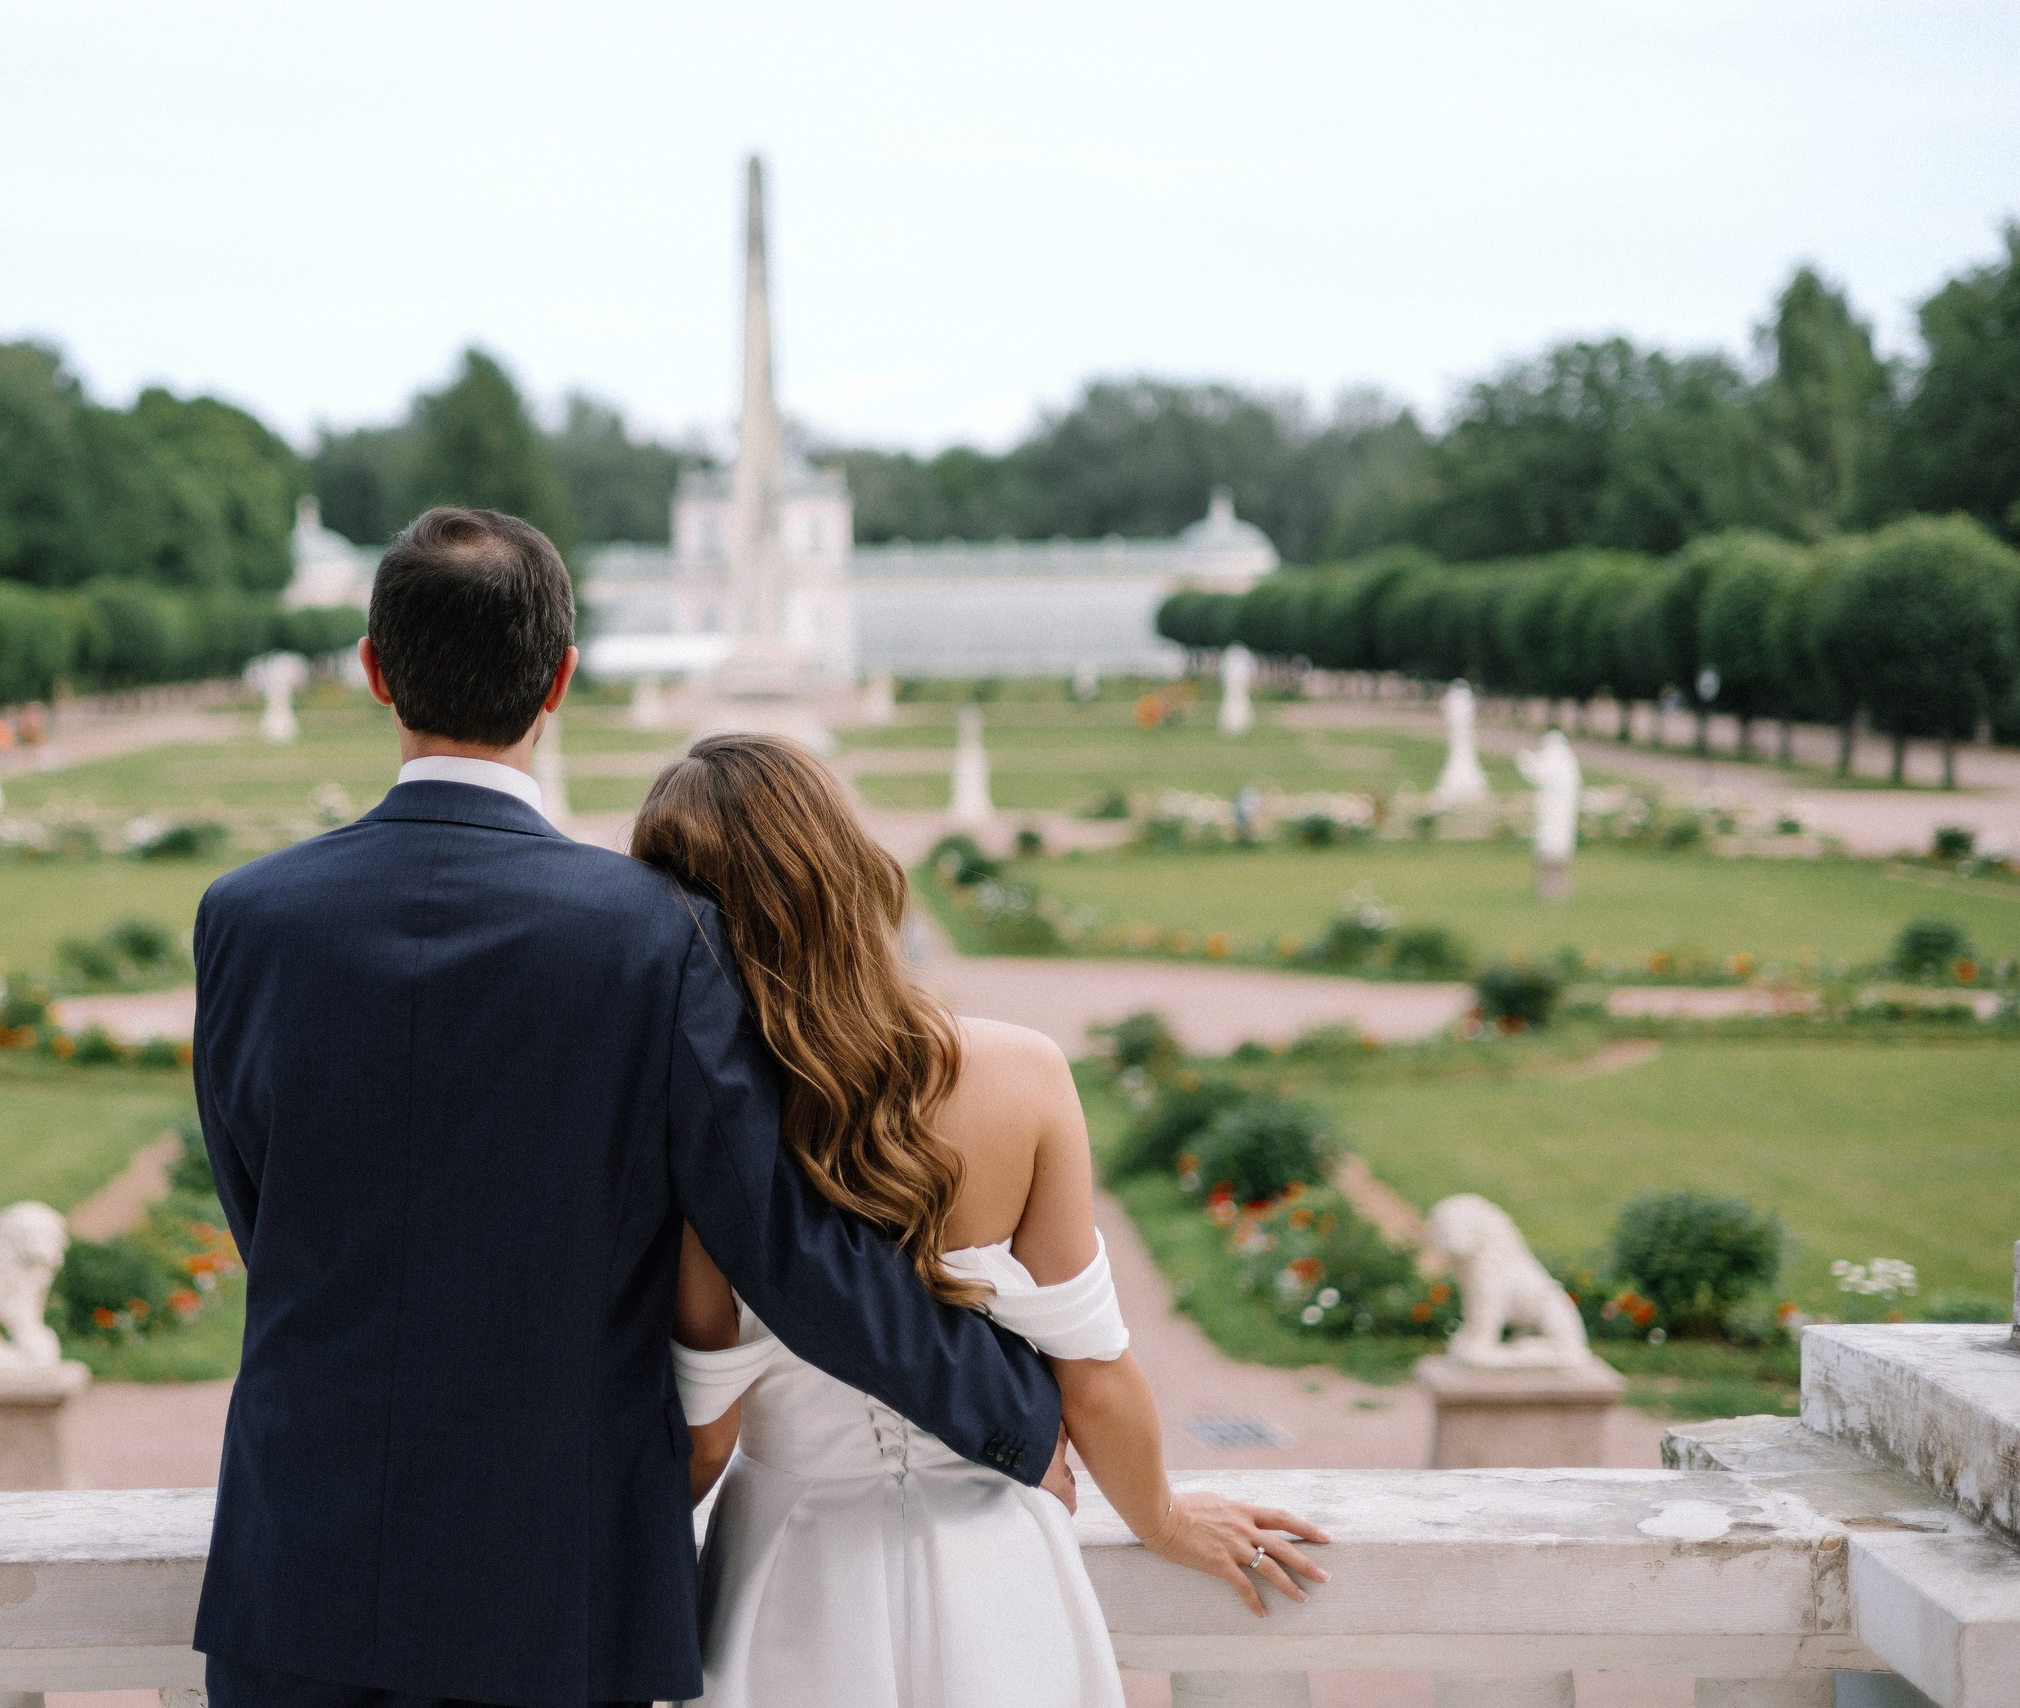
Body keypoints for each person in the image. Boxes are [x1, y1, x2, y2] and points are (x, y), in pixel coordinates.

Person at [187, 507, 1067, 1708]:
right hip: (560, 1569)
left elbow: (264, 1210)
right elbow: (784, 1242)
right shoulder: (650, 932)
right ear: (560, 676)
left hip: (302, 1551)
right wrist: (1017, 1410)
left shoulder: (247, 917)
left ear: (374, 671)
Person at [636, 733, 1331, 1708]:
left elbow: (704, 1435)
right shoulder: (1018, 1073)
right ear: (847, 875)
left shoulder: (686, 1129)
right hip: (999, 1569)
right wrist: (1163, 1517)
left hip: (793, 1582)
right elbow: (1092, 1375)